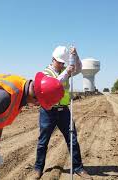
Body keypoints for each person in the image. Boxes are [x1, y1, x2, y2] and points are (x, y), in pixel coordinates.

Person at [34, 46, 92, 179]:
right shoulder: (45, 73)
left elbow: (79, 68)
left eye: (63, 63)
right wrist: (66, 71)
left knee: (72, 139)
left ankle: (78, 167)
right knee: (43, 141)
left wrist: (75, 56)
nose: (61, 65)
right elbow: (54, 83)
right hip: (48, 111)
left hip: (64, 111)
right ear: (53, 59)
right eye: (59, 62)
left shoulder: (65, 69)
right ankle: (38, 168)